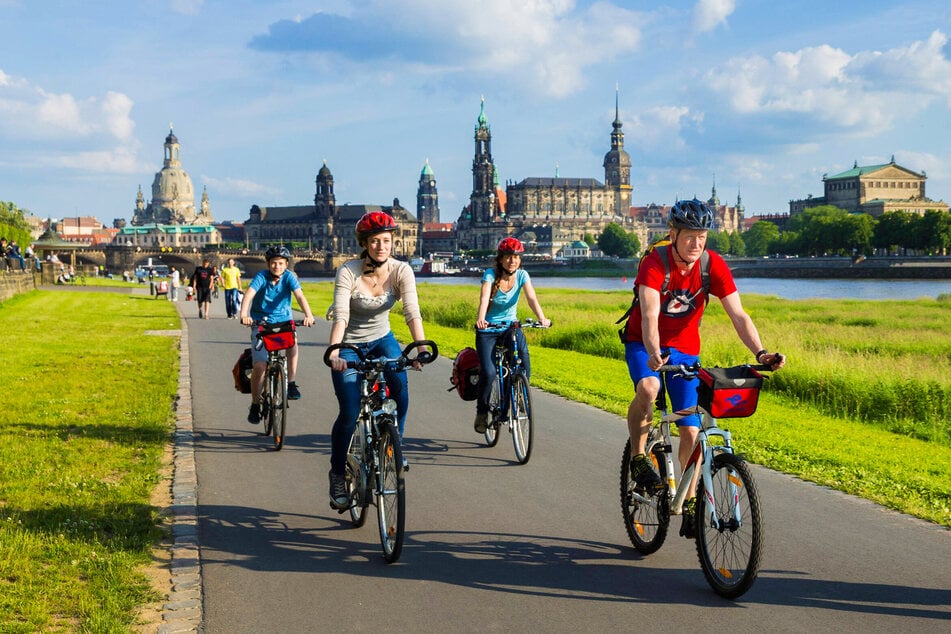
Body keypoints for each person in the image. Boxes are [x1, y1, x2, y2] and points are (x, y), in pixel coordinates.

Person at [623, 198, 785, 539]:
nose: (697, 243)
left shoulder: (712, 265)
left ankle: (690, 499)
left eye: (702, 236)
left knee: (690, 429)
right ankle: (639, 458)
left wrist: (761, 352)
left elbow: (738, 315)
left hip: (684, 351)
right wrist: (653, 353)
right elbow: (650, 315)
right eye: (689, 236)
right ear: (673, 234)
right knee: (649, 389)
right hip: (643, 344)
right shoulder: (655, 263)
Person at [326, 211, 429, 509]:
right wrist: (334, 351)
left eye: (386, 240)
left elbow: (411, 310)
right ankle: (337, 474)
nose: (381, 246)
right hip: (349, 344)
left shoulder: (401, 271)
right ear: (365, 243)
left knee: (401, 390)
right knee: (349, 410)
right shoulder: (348, 271)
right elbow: (342, 315)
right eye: (375, 241)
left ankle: (393, 447)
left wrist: (420, 347)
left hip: (383, 339)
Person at [473, 237, 551, 433]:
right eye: (508, 257)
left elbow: (531, 297)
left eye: (516, 257)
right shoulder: (490, 275)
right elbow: (484, 298)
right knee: (490, 372)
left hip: (510, 327)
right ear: (500, 259)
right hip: (488, 329)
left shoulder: (523, 275)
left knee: (523, 363)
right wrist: (481, 319)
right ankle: (482, 412)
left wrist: (542, 318)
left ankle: (520, 396)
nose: (512, 261)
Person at [239, 246, 315, 423]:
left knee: (293, 345)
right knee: (260, 365)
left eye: (281, 263)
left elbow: (300, 296)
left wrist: (308, 315)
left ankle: (291, 383)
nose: (277, 266)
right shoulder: (261, 277)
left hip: (283, 321)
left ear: (286, 264)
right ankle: (256, 404)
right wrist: (244, 314)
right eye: (274, 263)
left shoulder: (289, 277)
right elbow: (249, 295)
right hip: (260, 323)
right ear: (268, 264)